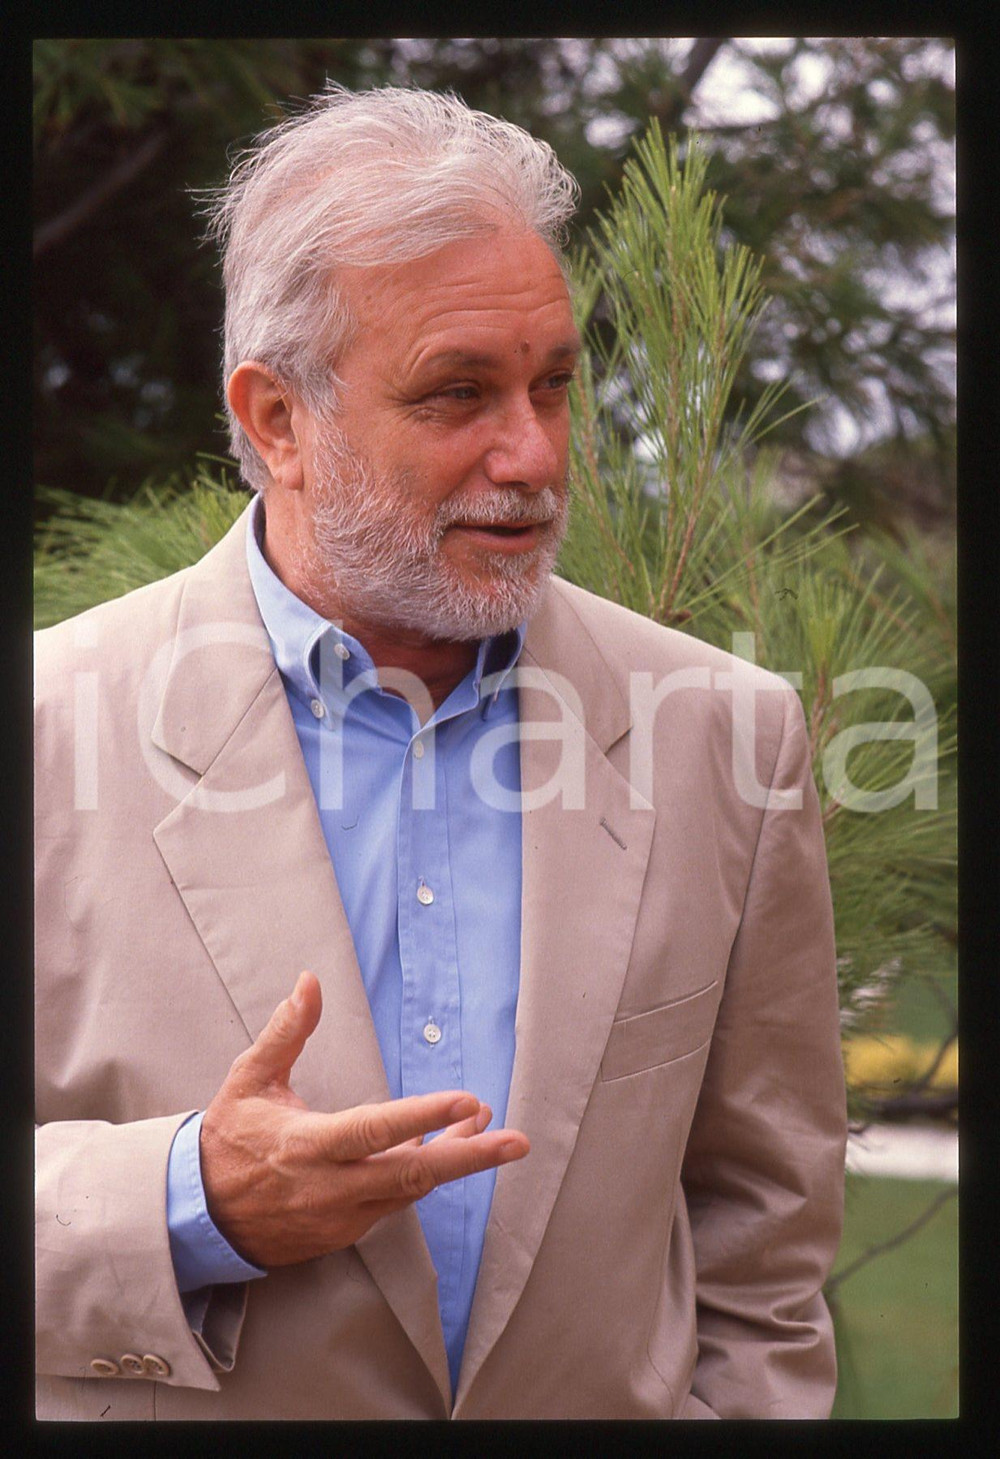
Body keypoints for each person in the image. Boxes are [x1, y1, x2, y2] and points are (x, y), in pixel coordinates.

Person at [34, 84, 847, 1421]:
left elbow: (769, 1242)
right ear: (280, 420)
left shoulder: (731, 733)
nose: (529, 454)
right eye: (457, 393)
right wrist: (192, 1201)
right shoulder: (49, 725)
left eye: (553, 387)